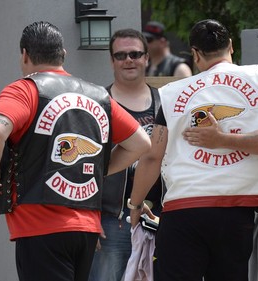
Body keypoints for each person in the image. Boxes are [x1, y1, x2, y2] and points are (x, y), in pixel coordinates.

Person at [128, 19, 258, 281]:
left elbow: (152, 156)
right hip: (236, 213)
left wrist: (136, 203)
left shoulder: (172, 92)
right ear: (230, 46)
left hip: (182, 212)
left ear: (195, 54)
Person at [0, 21, 151, 281]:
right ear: (63, 54)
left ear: (24, 54)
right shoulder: (97, 96)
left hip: (39, 225)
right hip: (87, 228)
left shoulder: (25, 89)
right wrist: (95, 172)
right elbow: (140, 143)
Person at [88, 28, 164, 281]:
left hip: (159, 218)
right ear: (111, 61)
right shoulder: (96, 104)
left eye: (135, 54)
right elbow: (84, 165)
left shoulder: (164, 102)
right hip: (112, 220)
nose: (128, 60)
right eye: (120, 55)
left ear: (146, 58)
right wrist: (90, 216)